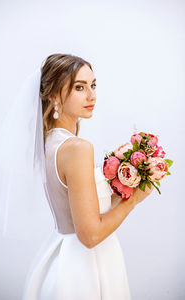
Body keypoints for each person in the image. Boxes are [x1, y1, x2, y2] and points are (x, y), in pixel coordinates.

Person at [21, 54, 154, 300]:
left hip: (61, 255)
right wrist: (134, 200)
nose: (92, 95)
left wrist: (120, 183)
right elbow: (90, 235)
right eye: (79, 87)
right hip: (85, 267)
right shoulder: (77, 148)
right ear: (52, 94)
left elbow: (81, 210)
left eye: (93, 85)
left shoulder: (49, 142)